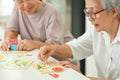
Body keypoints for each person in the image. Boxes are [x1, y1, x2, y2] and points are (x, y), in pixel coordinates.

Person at [38, 0, 120, 79]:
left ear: (113, 12)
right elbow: (77, 47)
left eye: (94, 12)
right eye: (88, 12)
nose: (90, 19)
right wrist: (54, 49)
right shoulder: (97, 32)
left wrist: (81, 77)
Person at [0, 0, 73, 51]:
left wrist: (34, 44)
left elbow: (53, 47)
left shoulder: (51, 12)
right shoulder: (17, 8)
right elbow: (12, 30)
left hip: (61, 61)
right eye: (20, 1)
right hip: (38, 59)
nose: (25, 5)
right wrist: (8, 40)